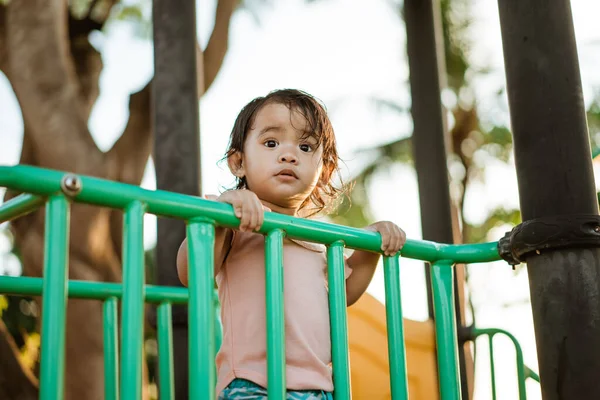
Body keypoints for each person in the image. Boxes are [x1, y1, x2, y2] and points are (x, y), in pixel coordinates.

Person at [176, 89, 406, 399]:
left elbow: (343, 295)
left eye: (306, 146)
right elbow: (191, 273)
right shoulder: (233, 220)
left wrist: (371, 247)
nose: (288, 154)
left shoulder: (320, 239)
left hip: (319, 387)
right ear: (238, 162)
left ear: (324, 171)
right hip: (252, 384)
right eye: (271, 143)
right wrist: (221, 215)